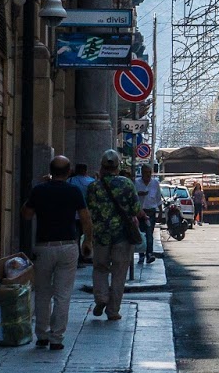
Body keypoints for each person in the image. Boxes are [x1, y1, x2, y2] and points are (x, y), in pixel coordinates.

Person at [21, 155, 94, 350]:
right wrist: (88, 240)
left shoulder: (39, 190)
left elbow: (26, 215)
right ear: (69, 172)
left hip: (44, 246)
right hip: (68, 246)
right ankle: (56, 338)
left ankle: (42, 335)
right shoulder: (74, 191)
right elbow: (86, 218)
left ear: (50, 171)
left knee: (42, 292)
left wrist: (37, 190)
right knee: (63, 294)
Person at [86, 150, 141, 321]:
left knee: (100, 268)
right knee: (119, 272)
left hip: (100, 235)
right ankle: (113, 310)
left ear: (102, 166)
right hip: (122, 236)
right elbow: (136, 209)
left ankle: (101, 298)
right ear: (118, 166)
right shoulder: (126, 184)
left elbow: (89, 210)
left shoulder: (94, 187)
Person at [137, 165, 163, 262]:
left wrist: (160, 212)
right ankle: (141, 254)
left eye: (149, 172)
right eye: (145, 172)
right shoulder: (136, 183)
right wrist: (139, 194)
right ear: (142, 173)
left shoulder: (155, 183)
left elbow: (158, 198)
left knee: (149, 233)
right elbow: (133, 196)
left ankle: (149, 254)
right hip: (139, 212)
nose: (148, 175)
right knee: (141, 234)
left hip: (151, 212)